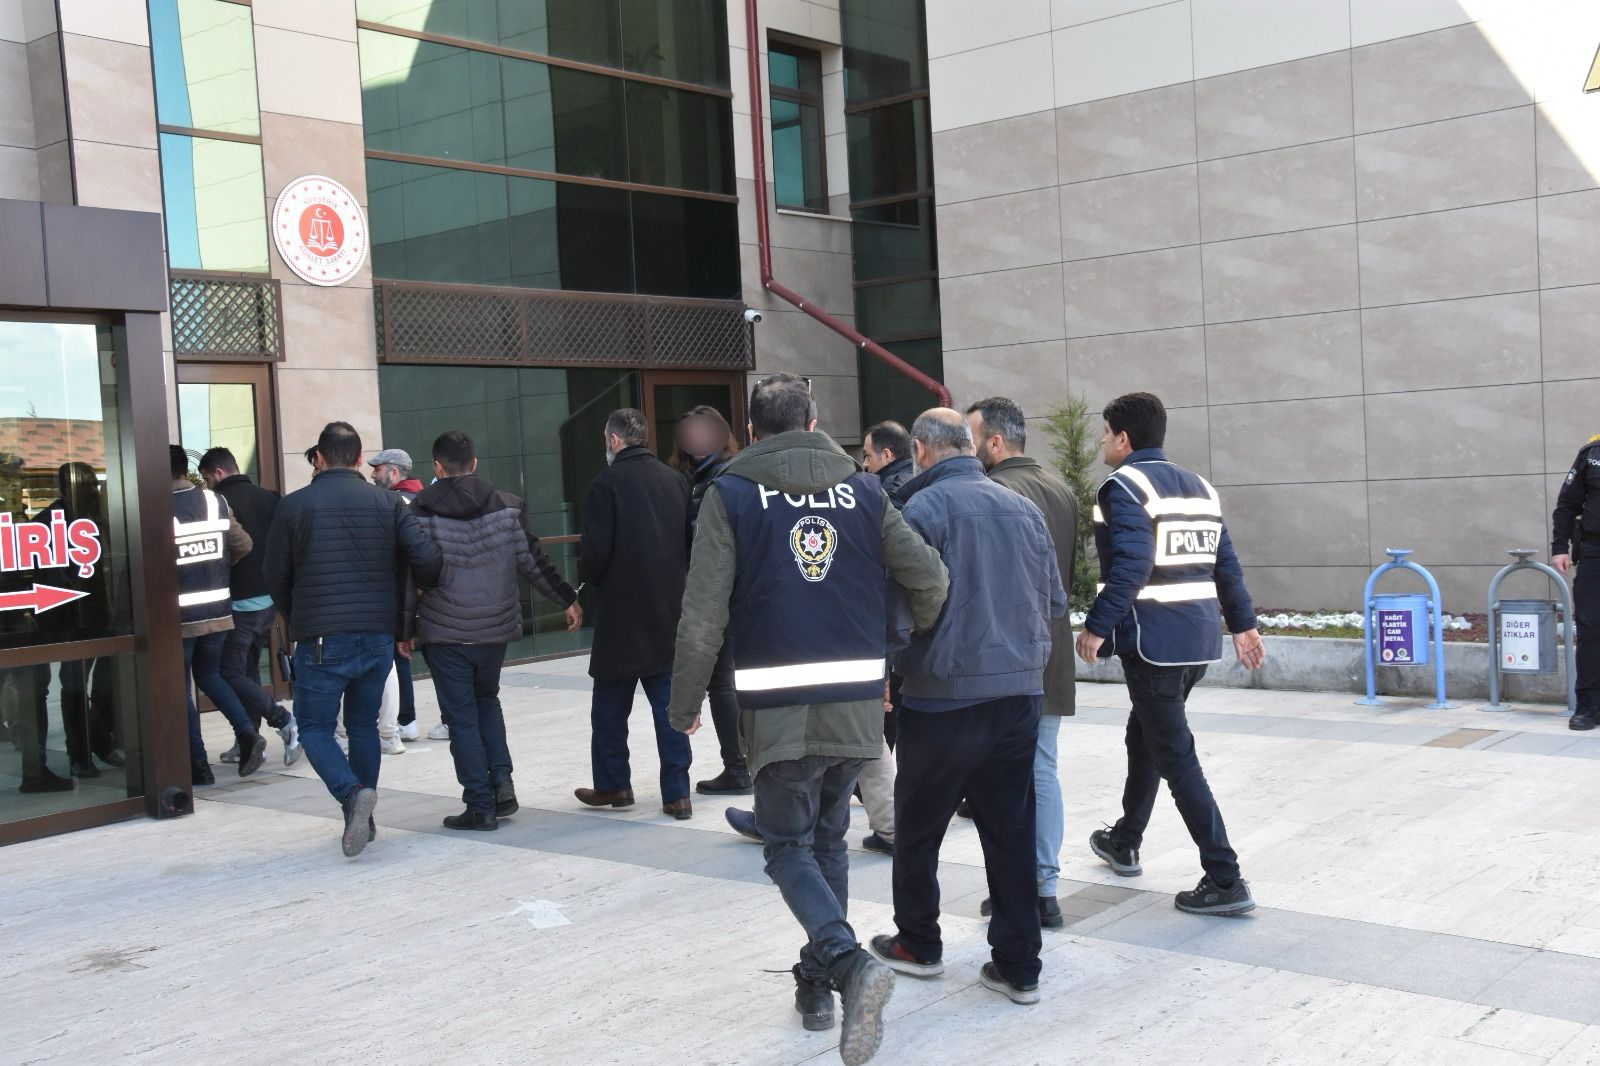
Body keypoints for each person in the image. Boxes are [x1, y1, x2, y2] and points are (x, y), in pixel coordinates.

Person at [668, 372, 948, 1061]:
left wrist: (684, 704)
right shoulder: (863, 489)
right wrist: (900, 646)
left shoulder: (731, 493)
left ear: (752, 431)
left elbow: (702, 616)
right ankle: (818, 983)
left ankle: (847, 967)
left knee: (787, 847)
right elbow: (929, 577)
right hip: (855, 702)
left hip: (778, 708)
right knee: (828, 842)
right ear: (815, 423)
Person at [869, 409, 1066, 1008]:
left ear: (921, 450)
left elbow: (898, 610)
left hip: (943, 696)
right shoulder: (1022, 508)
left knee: (918, 827)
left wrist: (890, 667)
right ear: (970, 446)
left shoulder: (920, 509)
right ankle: (1019, 965)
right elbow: (1055, 601)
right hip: (1019, 694)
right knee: (1010, 830)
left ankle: (918, 943)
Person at [1074, 392, 1264, 916]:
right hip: (1196, 642)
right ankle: (1125, 840)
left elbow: (1131, 566)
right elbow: (1225, 564)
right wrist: (1243, 625)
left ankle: (1224, 877)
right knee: (1146, 738)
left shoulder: (1123, 486)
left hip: (1154, 644)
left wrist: (1095, 627)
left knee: (1176, 758)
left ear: (1123, 438)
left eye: (1105, 433)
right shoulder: (1200, 487)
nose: (1101, 442)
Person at [263, 422, 442, 857]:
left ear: (319, 458)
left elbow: (274, 576)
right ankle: (364, 815)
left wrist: (298, 615)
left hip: (321, 638)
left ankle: (352, 795)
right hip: (377, 634)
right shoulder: (389, 503)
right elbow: (428, 561)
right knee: (363, 726)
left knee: (314, 728)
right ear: (360, 459)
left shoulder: (293, 506)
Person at [405, 431, 582, 831]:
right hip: (494, 630)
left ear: (436, 467)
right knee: (487, 701)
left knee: (461, 717)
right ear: (474, 463)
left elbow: (410, 578)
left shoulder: (417, 513)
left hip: (444, 632)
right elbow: (532, 562)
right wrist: (566, 599)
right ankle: (502, 785)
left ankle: (479, 805)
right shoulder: (507, 507)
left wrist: (404, 630)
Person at [966, 397, 1077, 929]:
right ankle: (1044, 888)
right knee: (1043, 767)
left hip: (1006, 655)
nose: (967, 451)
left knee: (1003, 777)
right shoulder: (1061, 489)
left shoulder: (994, 493)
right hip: (1051, 648)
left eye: (972, 440)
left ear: (994, 442)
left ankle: (1017, 889)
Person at [574, 409, 695, 818]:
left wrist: (588, 579)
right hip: (667, 611)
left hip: (620, 617)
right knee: (669, 710)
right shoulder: (674, 481)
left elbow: (595, 555)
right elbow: (688, 543)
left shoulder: (605, 484)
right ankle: (677, 793)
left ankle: (614, 785)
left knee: (609, 709)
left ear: (614, 440)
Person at [198, 448, 300, 768]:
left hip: (238, 602)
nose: (207, 485)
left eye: (206, 478)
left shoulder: (218, 503)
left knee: (229, 671)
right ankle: (248, 740)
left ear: (217, 473)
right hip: (268, 600)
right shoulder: (270, 498)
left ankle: (284, 721)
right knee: (248, 669)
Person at [670, 405, 751, 796]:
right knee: (725, 681)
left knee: (722, 682)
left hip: (725, 592)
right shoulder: (693, 478)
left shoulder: (725, 477)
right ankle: (740, 764)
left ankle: (738, 767)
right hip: (716, 589)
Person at [171, 446, 262, 784]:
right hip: (219, 612)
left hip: (180, 618)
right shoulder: (214, 501)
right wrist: (218, 567)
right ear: (185, 469)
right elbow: (243, 545)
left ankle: (199, 765)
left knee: (181, 689)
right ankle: (247, 733)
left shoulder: (155, 507)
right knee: (211, 677)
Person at [369, 448, 423, 744]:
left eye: (377, 469)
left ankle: (405, 719)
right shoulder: (423, 498)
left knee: (398, 655)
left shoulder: (394, 503)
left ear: (393, 472)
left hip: (401, 592)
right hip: (423, 590)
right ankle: (419, 720)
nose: (372, 474)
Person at [1552, 433, 1600, 730]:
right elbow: (1567, 504)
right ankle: (1588, 705)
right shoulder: (1592, 454)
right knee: (1591, 628)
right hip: (1595, 553)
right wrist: (1560, 547)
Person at [861, 421, 914, 506]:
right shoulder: (923, 475)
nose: (865, 464)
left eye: (867, 456)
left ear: (886, 455)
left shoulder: (891, 490)